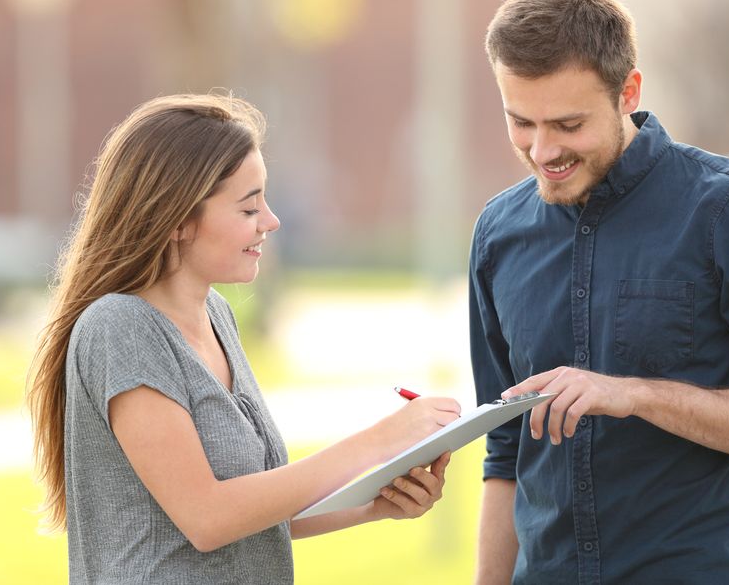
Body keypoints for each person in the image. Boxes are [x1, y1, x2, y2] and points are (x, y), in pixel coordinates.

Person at [468, 0, 729, 584]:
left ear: (629, 92)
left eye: (568, 123)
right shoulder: (497, 234)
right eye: (521, 122)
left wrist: (635, 396)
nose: (543, 150)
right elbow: (507, 452)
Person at [26, 93, 461, 584]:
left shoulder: (215, 317)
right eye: (249, 207)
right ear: (178, 220)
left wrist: (375, 503)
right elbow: (207, 518)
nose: (271, 222)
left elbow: (253, 511)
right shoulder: (118, 328)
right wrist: (380, 441)